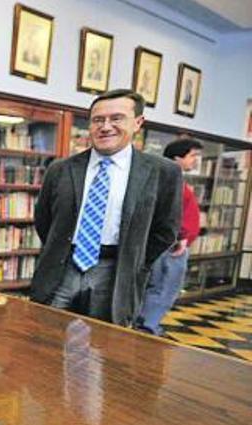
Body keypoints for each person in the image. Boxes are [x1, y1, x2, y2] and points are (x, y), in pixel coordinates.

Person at [31, 89, 183, 326]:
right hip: (62, 269)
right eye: (98, 120)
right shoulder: (60, 169)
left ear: (137, 123)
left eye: (116, 118)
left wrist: (136, 263)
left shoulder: (163, 172)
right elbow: (43, 220)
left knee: (104, 349)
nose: (105, 126)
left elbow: (165, 230)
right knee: (45, 339)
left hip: (117, 272)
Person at [136, 138, 203, 334]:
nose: (195, 161)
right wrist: (181, 237)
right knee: (165, 286)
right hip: (172, 245)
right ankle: (148, 326)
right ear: (177, 158)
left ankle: (147, 323)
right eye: (192, 156)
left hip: (171, 242)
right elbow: (169, 213)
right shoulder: (170, 181)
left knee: (158, 285)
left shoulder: (170, 179)